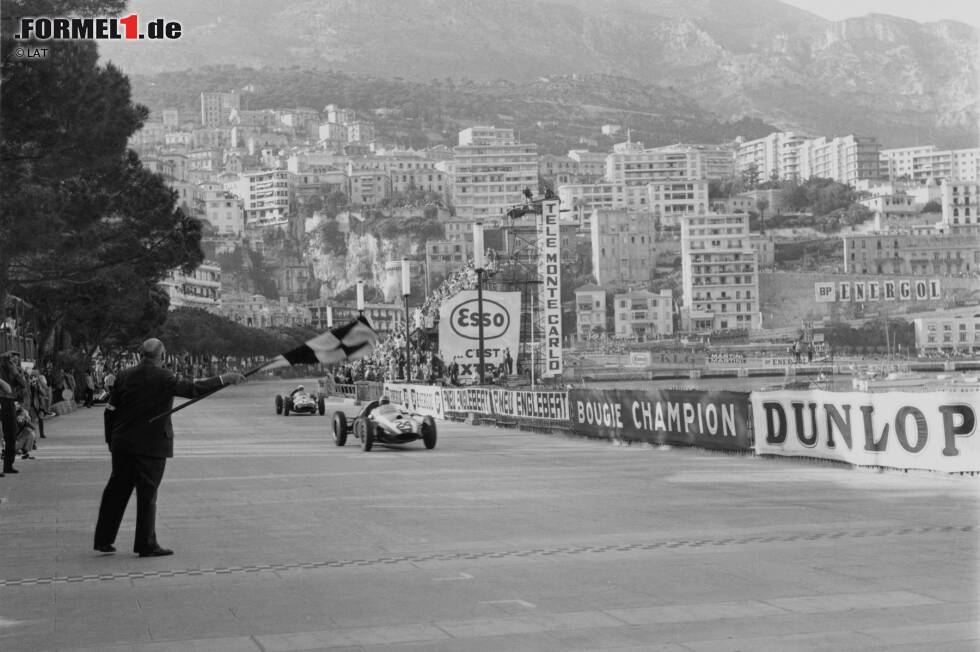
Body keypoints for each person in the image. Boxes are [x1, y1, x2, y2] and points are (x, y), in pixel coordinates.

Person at [93, 338, 245, 557]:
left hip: (122, 445)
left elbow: (110, 409)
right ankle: (145, 544)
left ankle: (103, 540)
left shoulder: (124, 376)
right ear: (162, 356)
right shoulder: (165, 377)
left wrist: (111, 441)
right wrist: (225, 378)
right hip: (152, 446)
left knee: (115, 492)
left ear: (142, 354)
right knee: (147, 496)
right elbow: (194, 389)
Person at [1, 351, 29, 476]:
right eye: (12, 360)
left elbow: (23, 385)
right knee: (6, 434)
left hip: (10, 401)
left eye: (17, 360)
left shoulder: (15, 371)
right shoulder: (2, 368)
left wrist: (15, 371)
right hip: (3, 400)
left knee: (11, 434)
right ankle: (7, 465)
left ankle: (8, 465)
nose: (15, 362)